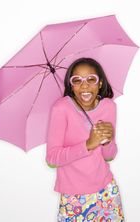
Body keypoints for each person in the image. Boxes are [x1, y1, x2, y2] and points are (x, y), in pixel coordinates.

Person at [46, 57, 125, 221]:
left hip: (106, 191)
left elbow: (109, 156)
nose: (84, 85)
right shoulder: (61, 108)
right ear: (71, 86)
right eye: (77, 80)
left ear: (100, 83)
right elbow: (52, 159)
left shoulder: (109, 107)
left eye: (91, 79)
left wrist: (108, 141)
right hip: (74, 198)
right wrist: (88, 145)